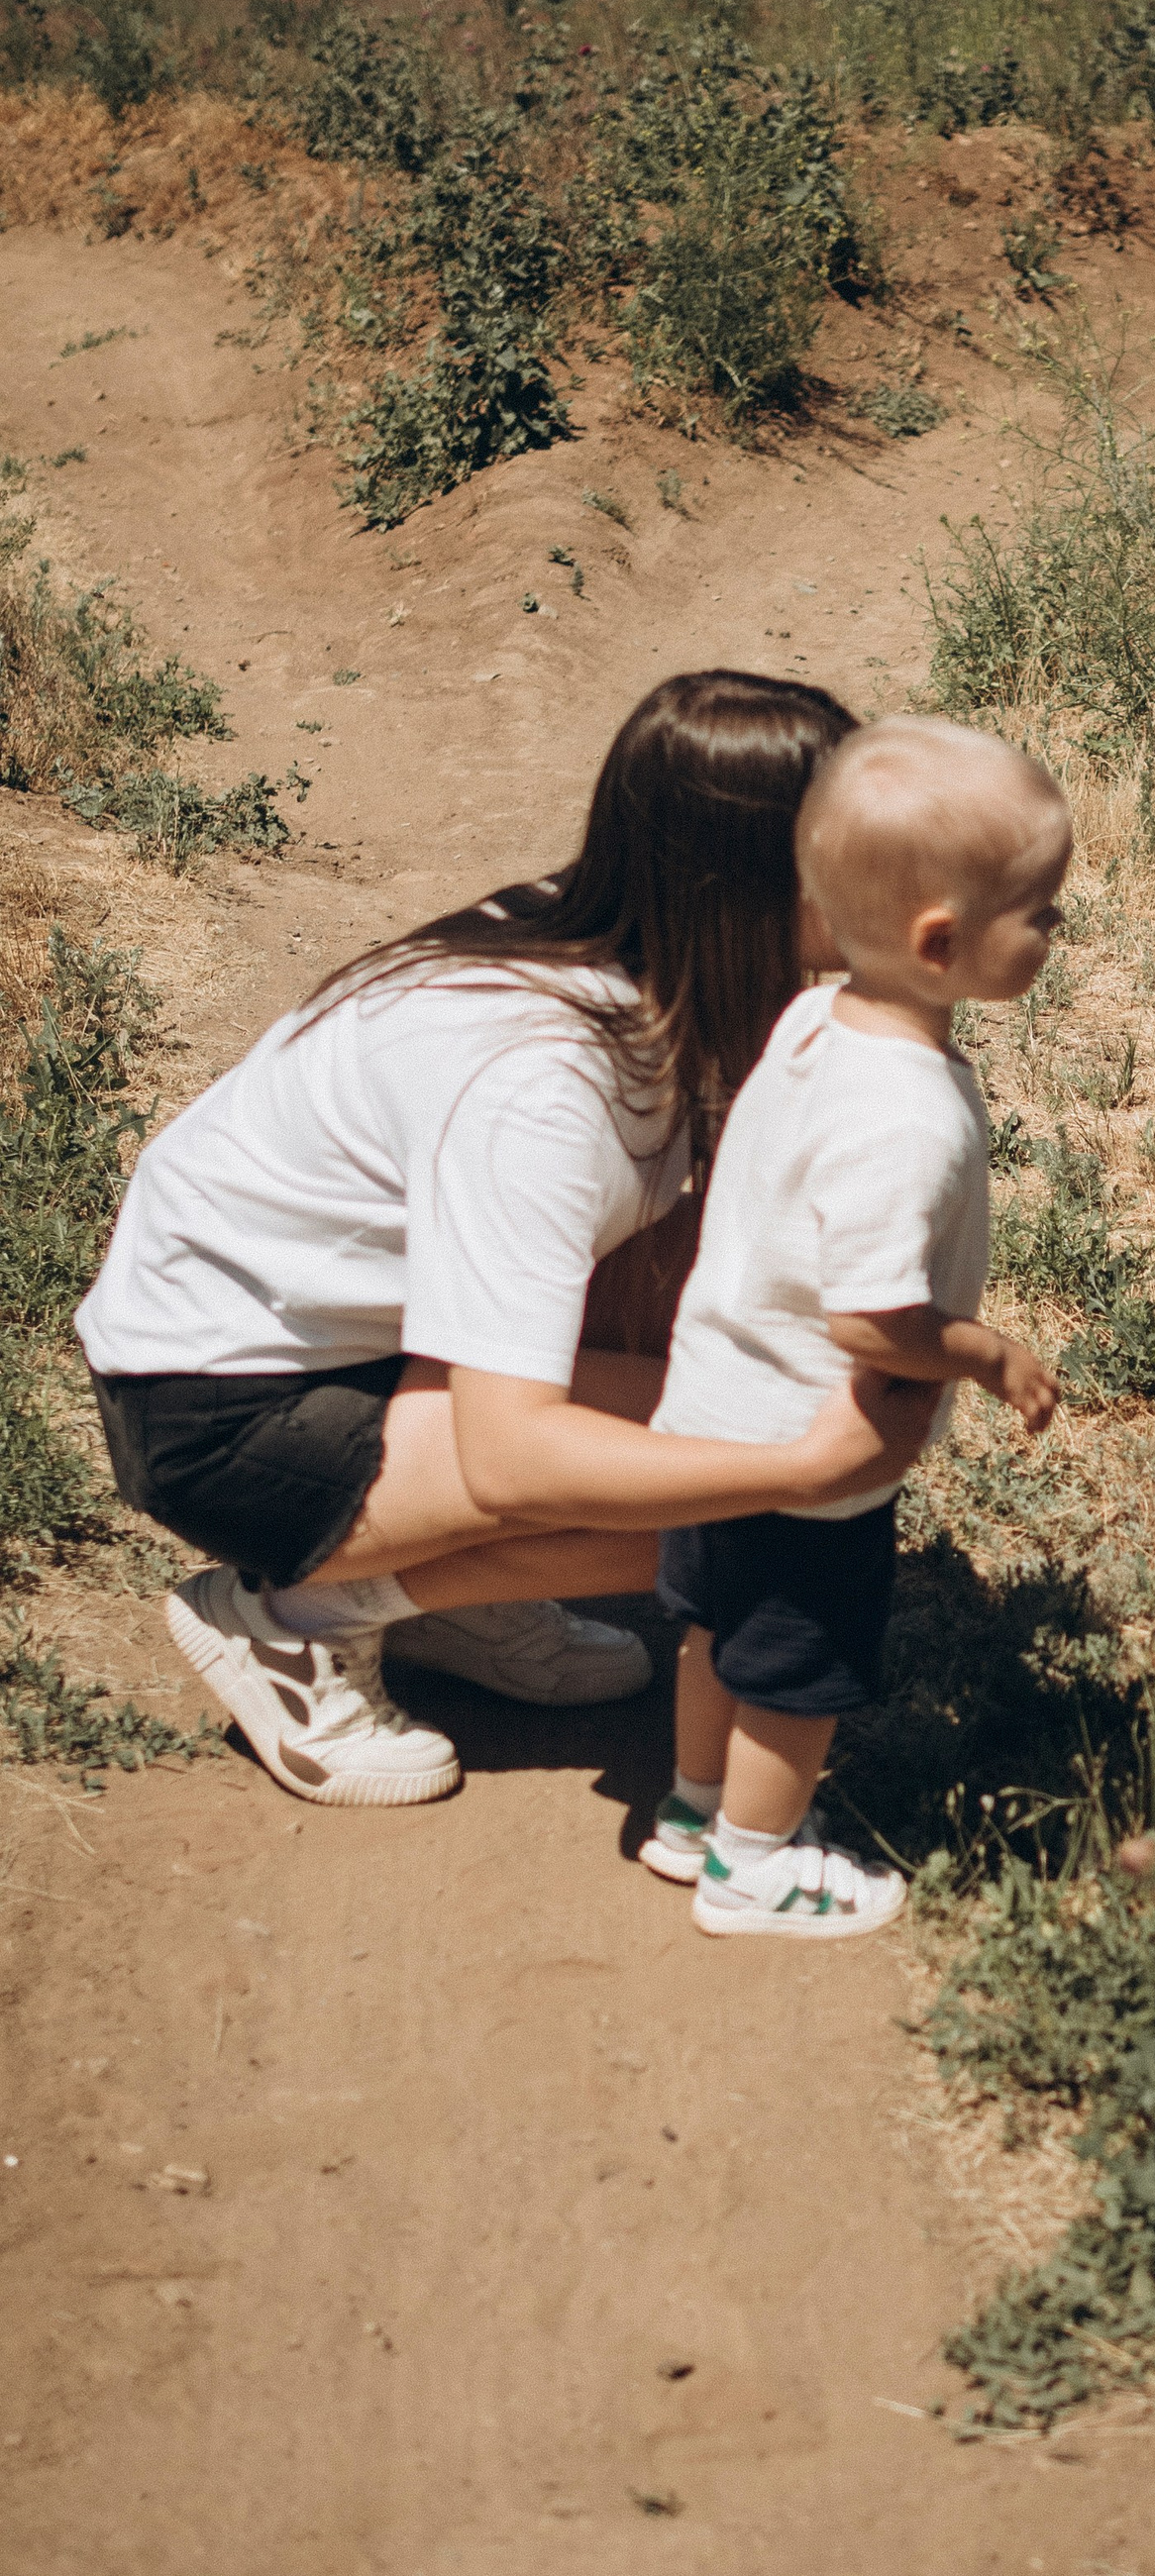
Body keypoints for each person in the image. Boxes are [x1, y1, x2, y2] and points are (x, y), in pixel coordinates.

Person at [76, 670, 939, 1811]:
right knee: (759, 1477)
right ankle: (295, 1619)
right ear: (748, 878)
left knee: (757, 1383)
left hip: (344, 1337)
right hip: (221, 1407)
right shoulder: (540, 1082)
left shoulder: (639, 951)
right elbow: (513, 1455)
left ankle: (448, 1589)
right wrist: (794, 1468)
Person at [637, 715, 1069, 1938]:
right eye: (1038, 911)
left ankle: (694, 1811)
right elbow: (875, 1319)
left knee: (716, 1627)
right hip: (804, 1438)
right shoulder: (906, 1115)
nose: (1051, 930)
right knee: (798, 1668)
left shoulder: (819, 1014)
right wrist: (984, 1352)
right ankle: (754, 1865)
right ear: (944, 940)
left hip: (711, 1401)